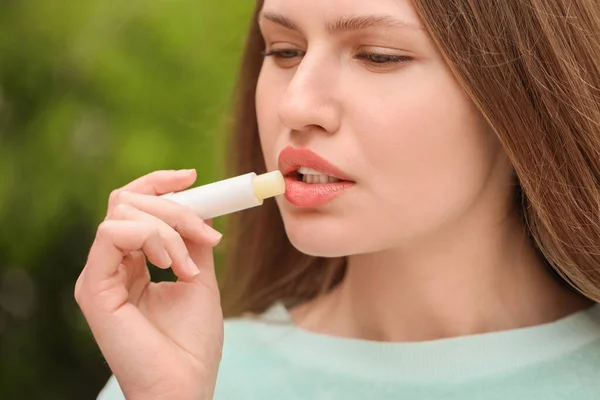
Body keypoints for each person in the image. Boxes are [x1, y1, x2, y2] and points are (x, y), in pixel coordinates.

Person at [75, 0, 600, 398]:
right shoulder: (167, 374)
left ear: (523, 91)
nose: (297, 104)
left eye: (378, 56)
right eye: (283, 51)